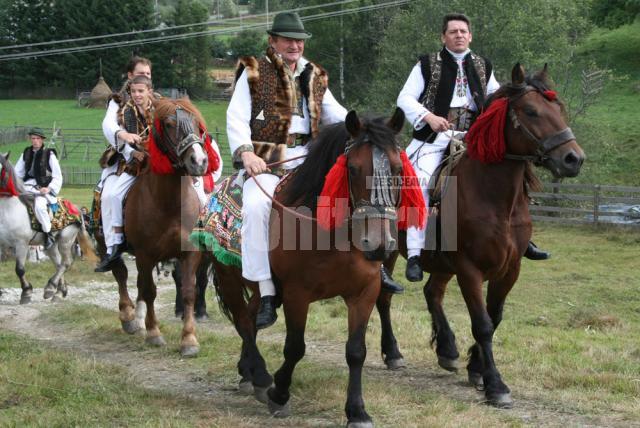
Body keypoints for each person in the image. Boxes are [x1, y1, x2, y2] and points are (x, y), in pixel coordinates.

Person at [227, 12, 404, 330]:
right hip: (267, 160)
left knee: (351, 193)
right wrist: (246, 152)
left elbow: (337, 114)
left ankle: (373, 266)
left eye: (298, 40)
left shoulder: (315, 74)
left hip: (308, 159)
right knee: (255, 207)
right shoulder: (253, 72)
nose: (295, 45)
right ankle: (266, 291)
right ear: (273, 41)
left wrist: (369, 133)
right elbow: (236, 117)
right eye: (287, 39)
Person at [397, 13, 549, 283]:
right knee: (418, 186)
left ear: (470, 35)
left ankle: (523, 239)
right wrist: (428, 117)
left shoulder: (482, 65)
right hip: (433, 140)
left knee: (512, 175)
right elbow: (405, 98)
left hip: (472, 139)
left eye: (463, 31)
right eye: (453, 31)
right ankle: (415, 254)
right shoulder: (426, 64)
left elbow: (496, 100)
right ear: (443, 36)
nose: (458, 35)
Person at [95, 72, 154, 272]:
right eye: (134, 91)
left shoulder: (159, 109)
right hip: (133, 162)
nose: (137, 95)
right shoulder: (123, 112)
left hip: (158, 161)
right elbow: (117, 139)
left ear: (149, 91)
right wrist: (130, 149)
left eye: (141, 91)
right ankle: (117, 241)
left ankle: (192, 238)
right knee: (112, 194)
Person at [14, 128, 62, 250]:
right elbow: (18, 173)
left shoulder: (49, 154)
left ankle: (48, 234)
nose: (35, 141)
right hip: (27, 186)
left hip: (43, 187)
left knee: (40, 206)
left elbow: (57, 175)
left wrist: (49, 188)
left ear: (42, 140)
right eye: (33, 138)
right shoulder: (25, 153)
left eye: (37, 139)